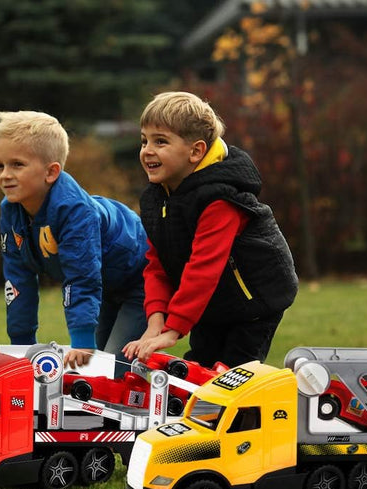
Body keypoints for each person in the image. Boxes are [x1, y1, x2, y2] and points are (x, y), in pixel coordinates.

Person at [123, 91, 297, 369]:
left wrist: (173, 329)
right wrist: (156, 322)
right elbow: (156, 265)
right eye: (144, 140)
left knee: (233, 375)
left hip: (253, 301)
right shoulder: (157, 199)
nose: (147, 150)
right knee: (199, 370)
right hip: (213, 303)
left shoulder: (220, 199)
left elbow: (204, 268)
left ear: (196, 151)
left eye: (160, 141)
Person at [0, 110, 148, 374]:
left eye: (17, 165)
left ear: (51, 172)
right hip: (105, 289)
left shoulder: (75, 212)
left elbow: (81, 275)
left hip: (140, 283)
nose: (5, 175)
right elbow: (17, 278)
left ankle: (150, 394)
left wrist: (82, 339)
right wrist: (22, 343)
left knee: (112, 369)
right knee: (95, 372)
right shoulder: (11, 210)